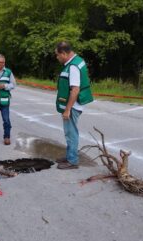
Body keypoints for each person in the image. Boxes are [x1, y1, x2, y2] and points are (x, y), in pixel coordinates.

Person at [55, 42, 93, 170]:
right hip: (75, 105)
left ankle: (72, 161)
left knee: (71, 133)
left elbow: (75, 90)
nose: (57, 57)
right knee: (70, 132)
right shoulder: (78, 60)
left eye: (58, 55)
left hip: (73, 106)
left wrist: (67, 110)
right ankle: (69, 156)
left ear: (64, 53)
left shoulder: (73, 67)